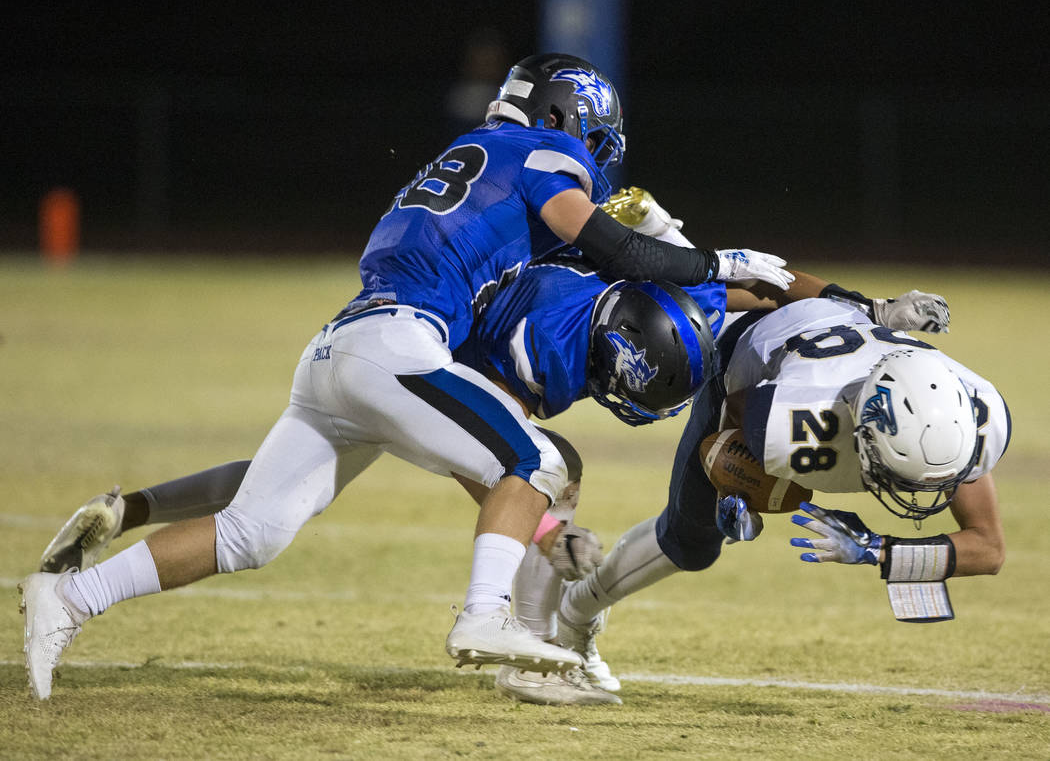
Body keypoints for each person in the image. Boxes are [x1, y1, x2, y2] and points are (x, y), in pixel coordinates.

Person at [21, 50, 803, 699]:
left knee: (251, 532)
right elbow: (620, 253)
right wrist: (717, 261)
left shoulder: (473, 163)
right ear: (566, 120)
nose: (592, 162)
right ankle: (483, 617)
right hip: (399, 344)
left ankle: (66, 597)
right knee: (540, 459)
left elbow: (593, 263)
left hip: (339, 351)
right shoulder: (542, 156)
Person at [31, 191, 951, 706]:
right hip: (415, 351)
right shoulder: (533, 332)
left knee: (267, 519)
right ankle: (515, 642)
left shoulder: (677, 289)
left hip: (364, 348)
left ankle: (120, 528)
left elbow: (769, 275)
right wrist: (549, 530)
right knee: (549, 468)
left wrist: (873, 308)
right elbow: (498, 469)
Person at [554, 296, 1009, 698]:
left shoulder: (969, 420)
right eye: (902, 475)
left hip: (840, 343)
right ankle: (577, 612)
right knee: (691, 544)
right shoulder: (798, 423)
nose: (917, 494)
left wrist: (878, 551)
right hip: (751, 360)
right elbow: (737, 407)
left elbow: (988, 549)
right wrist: (741, 489)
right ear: (861, 433)